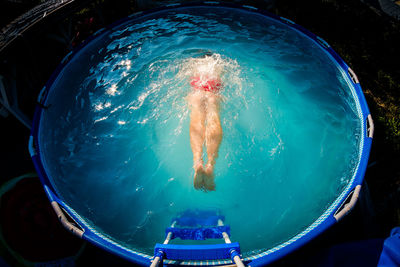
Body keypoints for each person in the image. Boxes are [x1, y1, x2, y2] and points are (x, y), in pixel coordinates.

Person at [187, 54, 223, 192]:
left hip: (197, 86)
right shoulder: (218, 63)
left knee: (196, 109)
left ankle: (197, 162)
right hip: (215, 86)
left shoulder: (193, 62)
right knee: (213, 109)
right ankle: (210, 165)